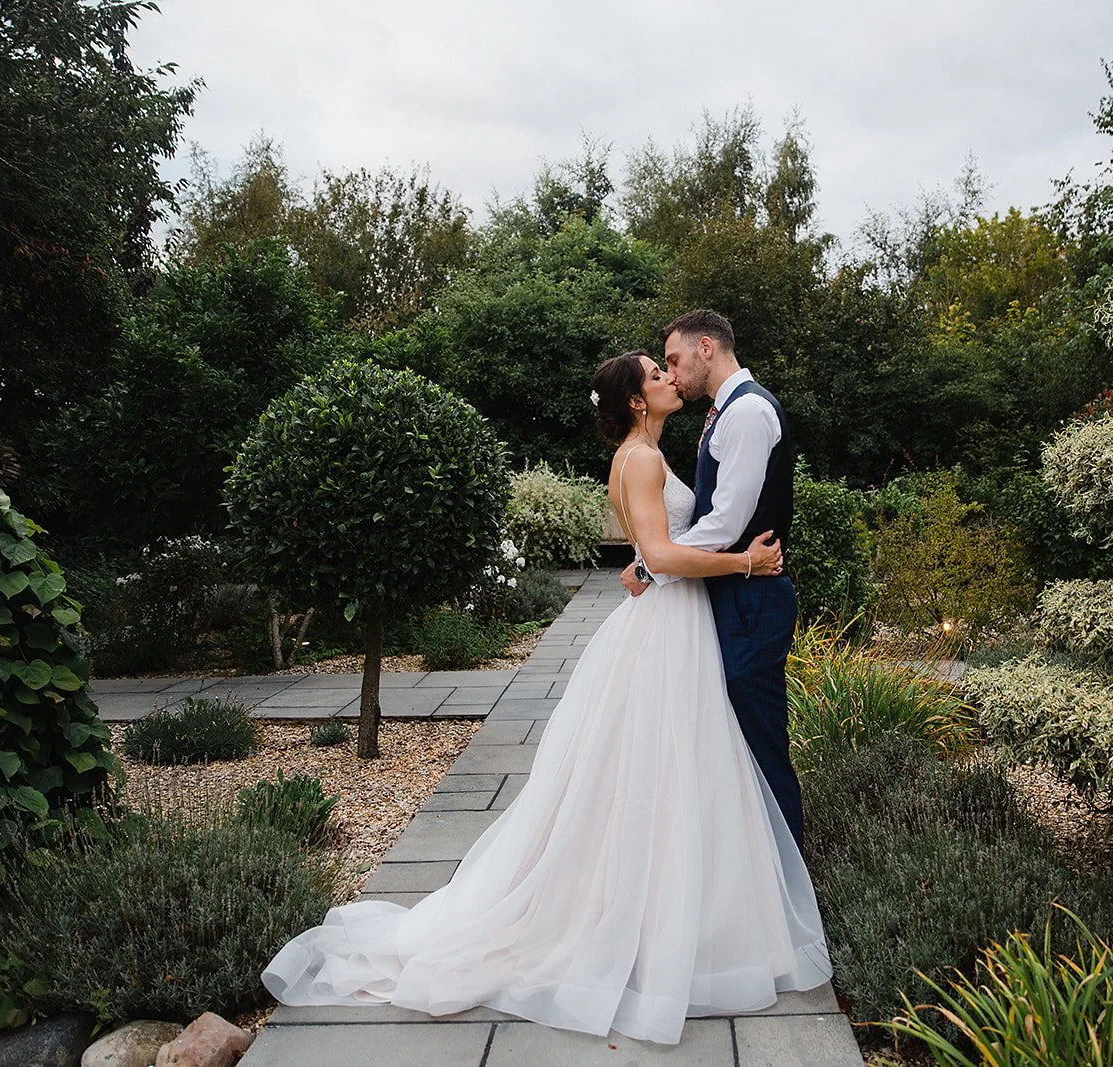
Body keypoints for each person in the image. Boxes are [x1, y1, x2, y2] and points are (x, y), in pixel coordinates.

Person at [261, 350, 831, 1046]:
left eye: (666, 368)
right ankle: (662, 919)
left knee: (659, 774)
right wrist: (746, 560)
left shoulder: (638, 454)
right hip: (668, 628)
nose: (668, 379)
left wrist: (652, 563)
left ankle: (671, 908)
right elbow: (666, 553)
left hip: (669, 623)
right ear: (634, 402)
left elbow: (652, 553)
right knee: (666, 770)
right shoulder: (643, 459)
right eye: (656, 375)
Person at [623, 309, 804, 848]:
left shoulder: (747, 412)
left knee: (760, 745)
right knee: (732, 750)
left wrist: (653, 565)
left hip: (753, 597)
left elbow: (725, 521)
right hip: (732, 594)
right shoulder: (722, 413)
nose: (672, 373)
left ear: (707, 347)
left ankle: (788, 883)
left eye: (674, 360)